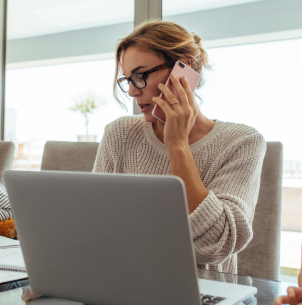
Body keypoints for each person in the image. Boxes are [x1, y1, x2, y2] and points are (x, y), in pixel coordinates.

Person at [92, 20, 266, 275]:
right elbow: (95, 225)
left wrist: (178, 145)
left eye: (140, 76)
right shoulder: (120, 134)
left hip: (203, 298)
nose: (131, 91)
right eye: (127, 79)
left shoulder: (242, 142)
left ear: (184, 68)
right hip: (125, 287)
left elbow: (214, 245)